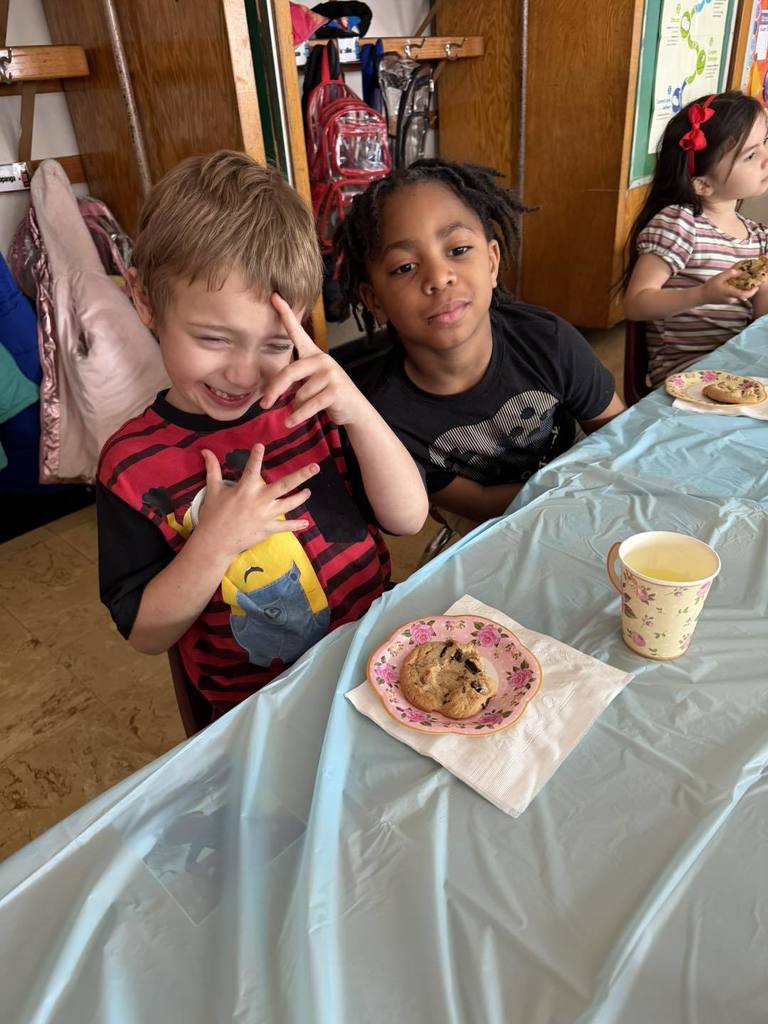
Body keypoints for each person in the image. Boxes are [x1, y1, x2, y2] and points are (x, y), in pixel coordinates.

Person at [96, 151, 427, 715]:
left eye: (275, 345)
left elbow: (408, 518)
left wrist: (358, 409)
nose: (244, 374)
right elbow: (146, 634)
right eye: (214, 339)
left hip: (371, 672)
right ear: (146, 303)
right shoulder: (131, 466)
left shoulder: (313, 405)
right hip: (253, 714)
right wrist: (215, 542)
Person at [334, 158, 624, 525]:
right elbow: (479, 502)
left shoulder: (547, 340)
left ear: (491, 262)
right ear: (374, 300)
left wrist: (584, 490)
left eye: (458, 250)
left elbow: (620, 435)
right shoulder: (383, 416)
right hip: (491, 527)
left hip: (590, 492)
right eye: (405, 267)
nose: (439, 277)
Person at [623, 90, 768, 385]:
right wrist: (704, 294)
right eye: (751, 155)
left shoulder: (758, 237)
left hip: (739, 365)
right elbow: (635, 304)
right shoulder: (680, 224)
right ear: (702, 184)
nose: (766, 158)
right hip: (690, 376)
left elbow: (761, 321)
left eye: (765, 142)